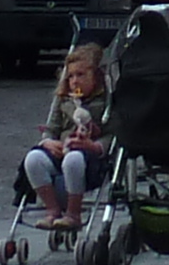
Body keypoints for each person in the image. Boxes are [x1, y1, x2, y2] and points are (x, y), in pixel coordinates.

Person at [28, 44, 110, 223]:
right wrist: (48, 141)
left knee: (73, 160)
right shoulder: (64, 99)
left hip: (88, 155)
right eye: (71, 76)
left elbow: (112, 133)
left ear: (95, 77)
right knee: (33, 160)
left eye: (81, 75)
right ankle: (52, 209)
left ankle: (73, 213)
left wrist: (95, 146)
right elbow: (52, 128)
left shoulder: (104, 101)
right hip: (61, 148)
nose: (74, 81)